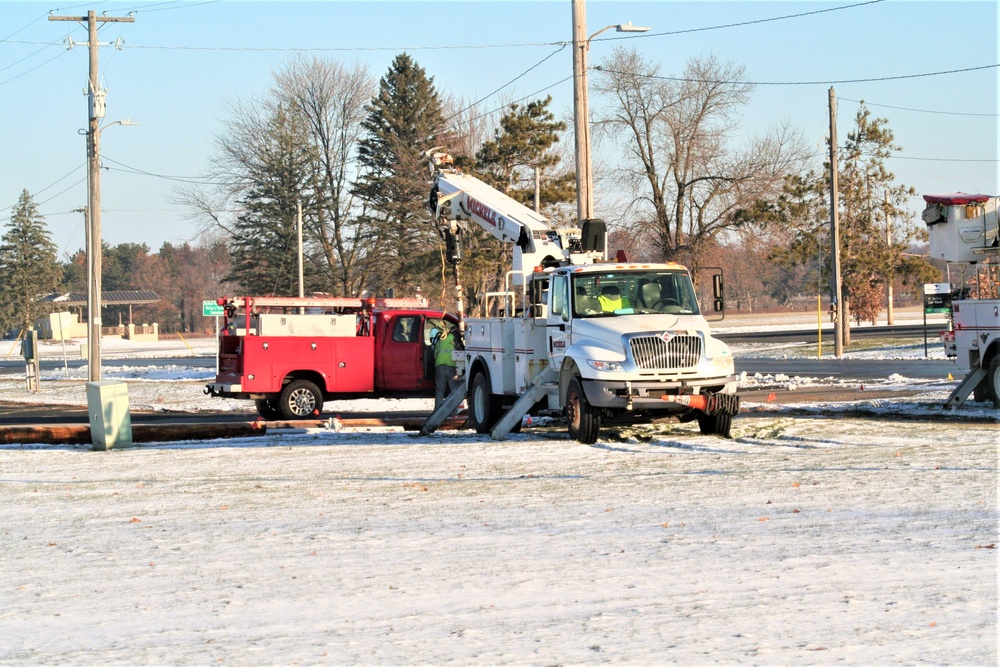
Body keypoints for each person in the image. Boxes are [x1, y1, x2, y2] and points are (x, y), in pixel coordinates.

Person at [433, 326, 462, 412]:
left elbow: (435, 354)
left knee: (439, 391)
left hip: (440, 367)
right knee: (454, 391)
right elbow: (460, 354)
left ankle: (437, 412)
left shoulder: (441, 338)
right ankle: (455, 410)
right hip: (451, 368)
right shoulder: (455, 340)